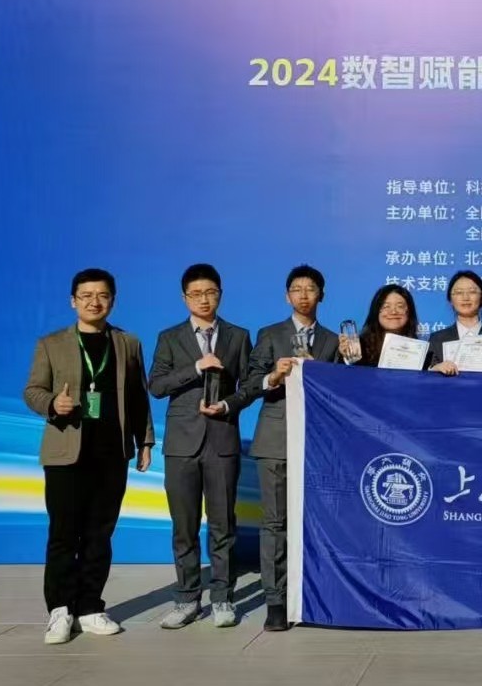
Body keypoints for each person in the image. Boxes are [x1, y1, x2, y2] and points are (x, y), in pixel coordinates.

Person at [22, 268, 154, 645]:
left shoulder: (128, 343)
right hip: (66, 453)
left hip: (112, 453)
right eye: (86, 296)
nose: (95, 302)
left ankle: (91, 607)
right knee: (64, 533)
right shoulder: (51, 343)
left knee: (100, 533)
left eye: (102, 295)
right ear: (73, 301)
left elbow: (138, 397)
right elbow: (32, 390)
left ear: (112, 300)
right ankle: (60, 609)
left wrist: (145, 442)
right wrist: (53, 403)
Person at [147, 264, 253, 630]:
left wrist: (227, 405)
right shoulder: (170, 337)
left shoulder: (238, 336)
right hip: (181, 445)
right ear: (184, 298)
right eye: (196, 294)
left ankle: (223, 597)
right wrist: (196, 366)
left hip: (222, 440)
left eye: (210, 293)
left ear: (220, 294)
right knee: (184, 527)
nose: (204, 300)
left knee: (223, 525)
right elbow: (156, 386)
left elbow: (249, 387)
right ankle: (187, 599)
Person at [244, 264, 339, 631]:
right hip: (276, 439)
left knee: (317, 522)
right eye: (296, 289)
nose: (303, 295)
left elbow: (342, 393)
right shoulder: (269, 335)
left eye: (310, 288)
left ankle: (314, 595)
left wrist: (324, 373)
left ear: (321, 295)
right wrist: (274, 375)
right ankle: (276, 600)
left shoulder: (333, 340)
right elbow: (250, 383)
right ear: (287, 297)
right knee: (275, 523)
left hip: (319, 443)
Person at [426, 270, 482, 374]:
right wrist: (435, 369)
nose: (465, 298)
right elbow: (425, 377)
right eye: (459, 292)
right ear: (450, 300)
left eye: (472, 292)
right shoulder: (437, 339)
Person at [341, 284, 421, 366]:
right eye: (386, 306)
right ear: (376, 312)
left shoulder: (419, 350)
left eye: (400, 306)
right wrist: (348, 358)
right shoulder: (360, 347)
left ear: (409, 312)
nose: (393, 312)